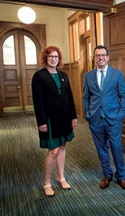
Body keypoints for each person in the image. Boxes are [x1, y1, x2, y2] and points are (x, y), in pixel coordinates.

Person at [32, 46, 78, 197]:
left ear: (59, 59)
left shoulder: (63, 75)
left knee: (63, 147)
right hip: (50, 119)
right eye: (50, 56)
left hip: (64, 117)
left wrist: (73, 116)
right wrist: (41, 122)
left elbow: (69, 97)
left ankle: (61, 177)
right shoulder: (39, 76)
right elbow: (37, 102)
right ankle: (46, 183)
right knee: (53, 151)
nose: (53, 59)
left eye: (56, 57)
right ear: (45, 58)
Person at [83, 45, 125, 190]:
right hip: (95, 118)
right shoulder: (88, 76)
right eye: (97, 55)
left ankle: (121, 176)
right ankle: (107, 174)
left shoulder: (117, 74)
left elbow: (124, 96)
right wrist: (88, 114)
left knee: (116, 147)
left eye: (103, 55)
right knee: (101, 148)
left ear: (108, 57)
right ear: (94, 58)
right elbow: (86, 97)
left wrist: (120, 114)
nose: (100, 58)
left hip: (113, 118)